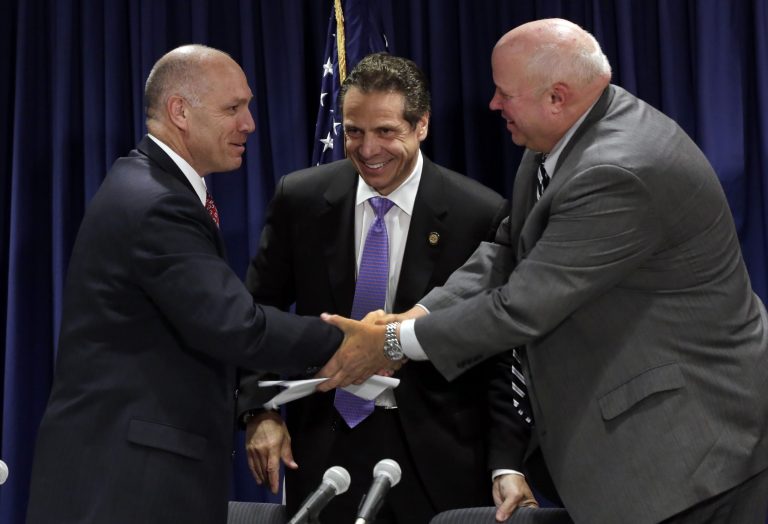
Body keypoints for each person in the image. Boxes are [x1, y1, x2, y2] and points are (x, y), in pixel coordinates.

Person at [316, 19, 768, 524]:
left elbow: (520, 307)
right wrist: (414, 314)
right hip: (641, 446)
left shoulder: (617, 170)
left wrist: (394, 342)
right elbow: (506, 250)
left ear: (557, 97)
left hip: (689, 454)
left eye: (504, 93)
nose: (492, 104)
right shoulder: (554, 142)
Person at [25, 45, 343, 524]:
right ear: (180, 111)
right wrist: (350, 338)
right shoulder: (158, 204)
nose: (249, 124)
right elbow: (239, 327)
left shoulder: (145, 184)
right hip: (131, 487)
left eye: (249, 106)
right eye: (233, 108)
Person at [234, 53, 531, 523]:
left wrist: (506, 461)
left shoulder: (478, 212)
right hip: (324, 451)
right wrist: (260, 411)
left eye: (385, 131)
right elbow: (257, 313)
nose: (367, 149)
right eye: (354, 131)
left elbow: (498, 351)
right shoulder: (302, 199)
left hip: (439, 458)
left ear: (422, 126)